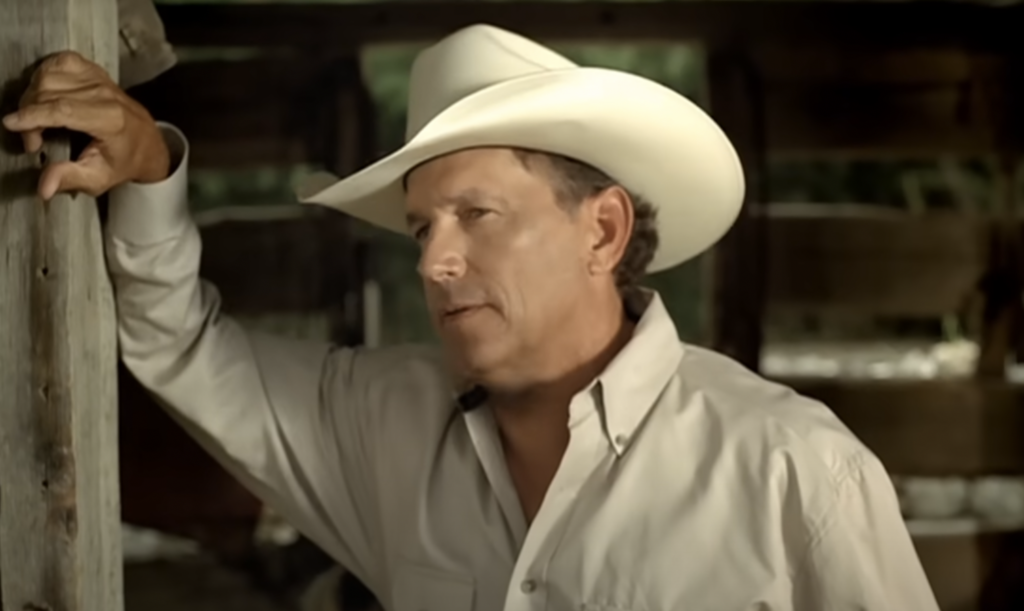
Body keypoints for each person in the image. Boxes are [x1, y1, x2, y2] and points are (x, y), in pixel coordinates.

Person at [3, 23, 940, 611]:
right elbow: (181, 342)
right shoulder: (380, 426)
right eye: (421, 226)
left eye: (477, 215)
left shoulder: (795, 473)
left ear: (602, 229)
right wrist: (150, 173)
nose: (434, 259)